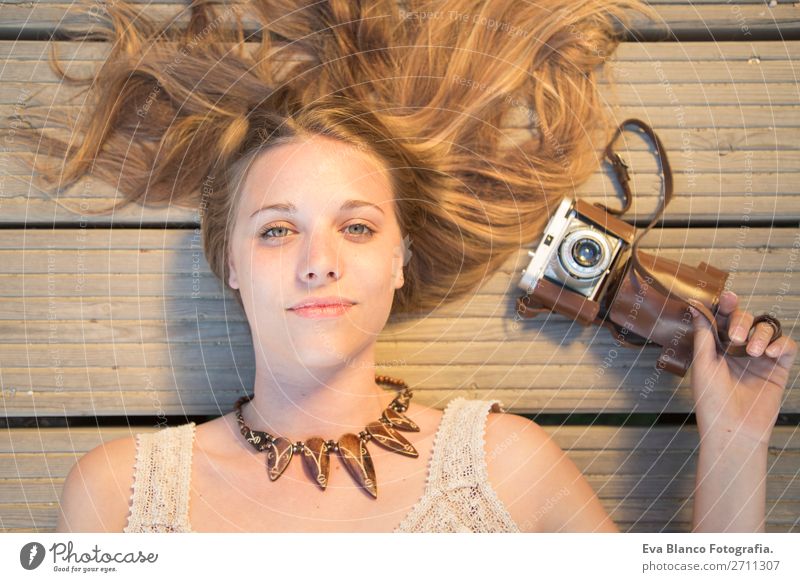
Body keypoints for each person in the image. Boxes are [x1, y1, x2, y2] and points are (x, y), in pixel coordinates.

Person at [19, 0, 795, 532]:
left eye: (356, 227)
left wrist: (732, 437)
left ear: (400, 258)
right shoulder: (115, 494)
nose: (318, 263)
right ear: (229, 264)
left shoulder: (509, 468)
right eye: (277, 231)